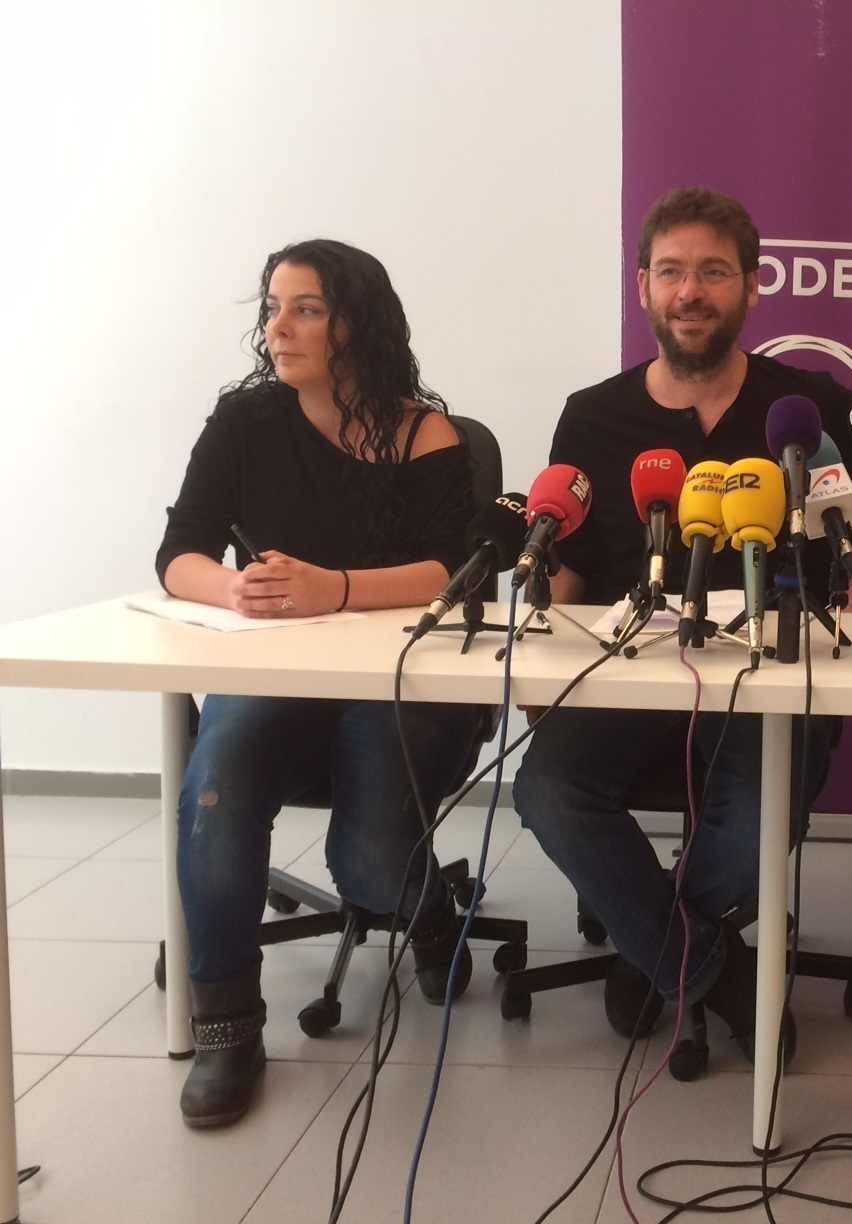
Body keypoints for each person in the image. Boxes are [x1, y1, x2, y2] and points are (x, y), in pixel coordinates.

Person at [511, 187, 852, 1061]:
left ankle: (655, 949)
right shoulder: (593, 414)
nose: (690, 291)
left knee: (760, 822)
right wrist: (541, 667)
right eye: (671, 272)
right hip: (628, 671)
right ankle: (709, 968)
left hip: (772, 674)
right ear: (644, 288)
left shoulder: (803, 407)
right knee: (544, 789)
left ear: (752, 286)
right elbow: (567, 559)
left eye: (713, 272)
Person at [157, 239, 487, 1127]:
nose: (278, 327)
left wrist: (333, 589)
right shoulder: (244, 423)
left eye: (305, 309)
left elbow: (457, 572)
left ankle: (426, 907)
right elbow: (179, 551)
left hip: (401, 686)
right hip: (277, 673)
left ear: (357, 324)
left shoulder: (425, 433)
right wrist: (232, 588)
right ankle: (227, 1029)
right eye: (272, 308)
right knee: (215, 795)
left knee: (371, 862)